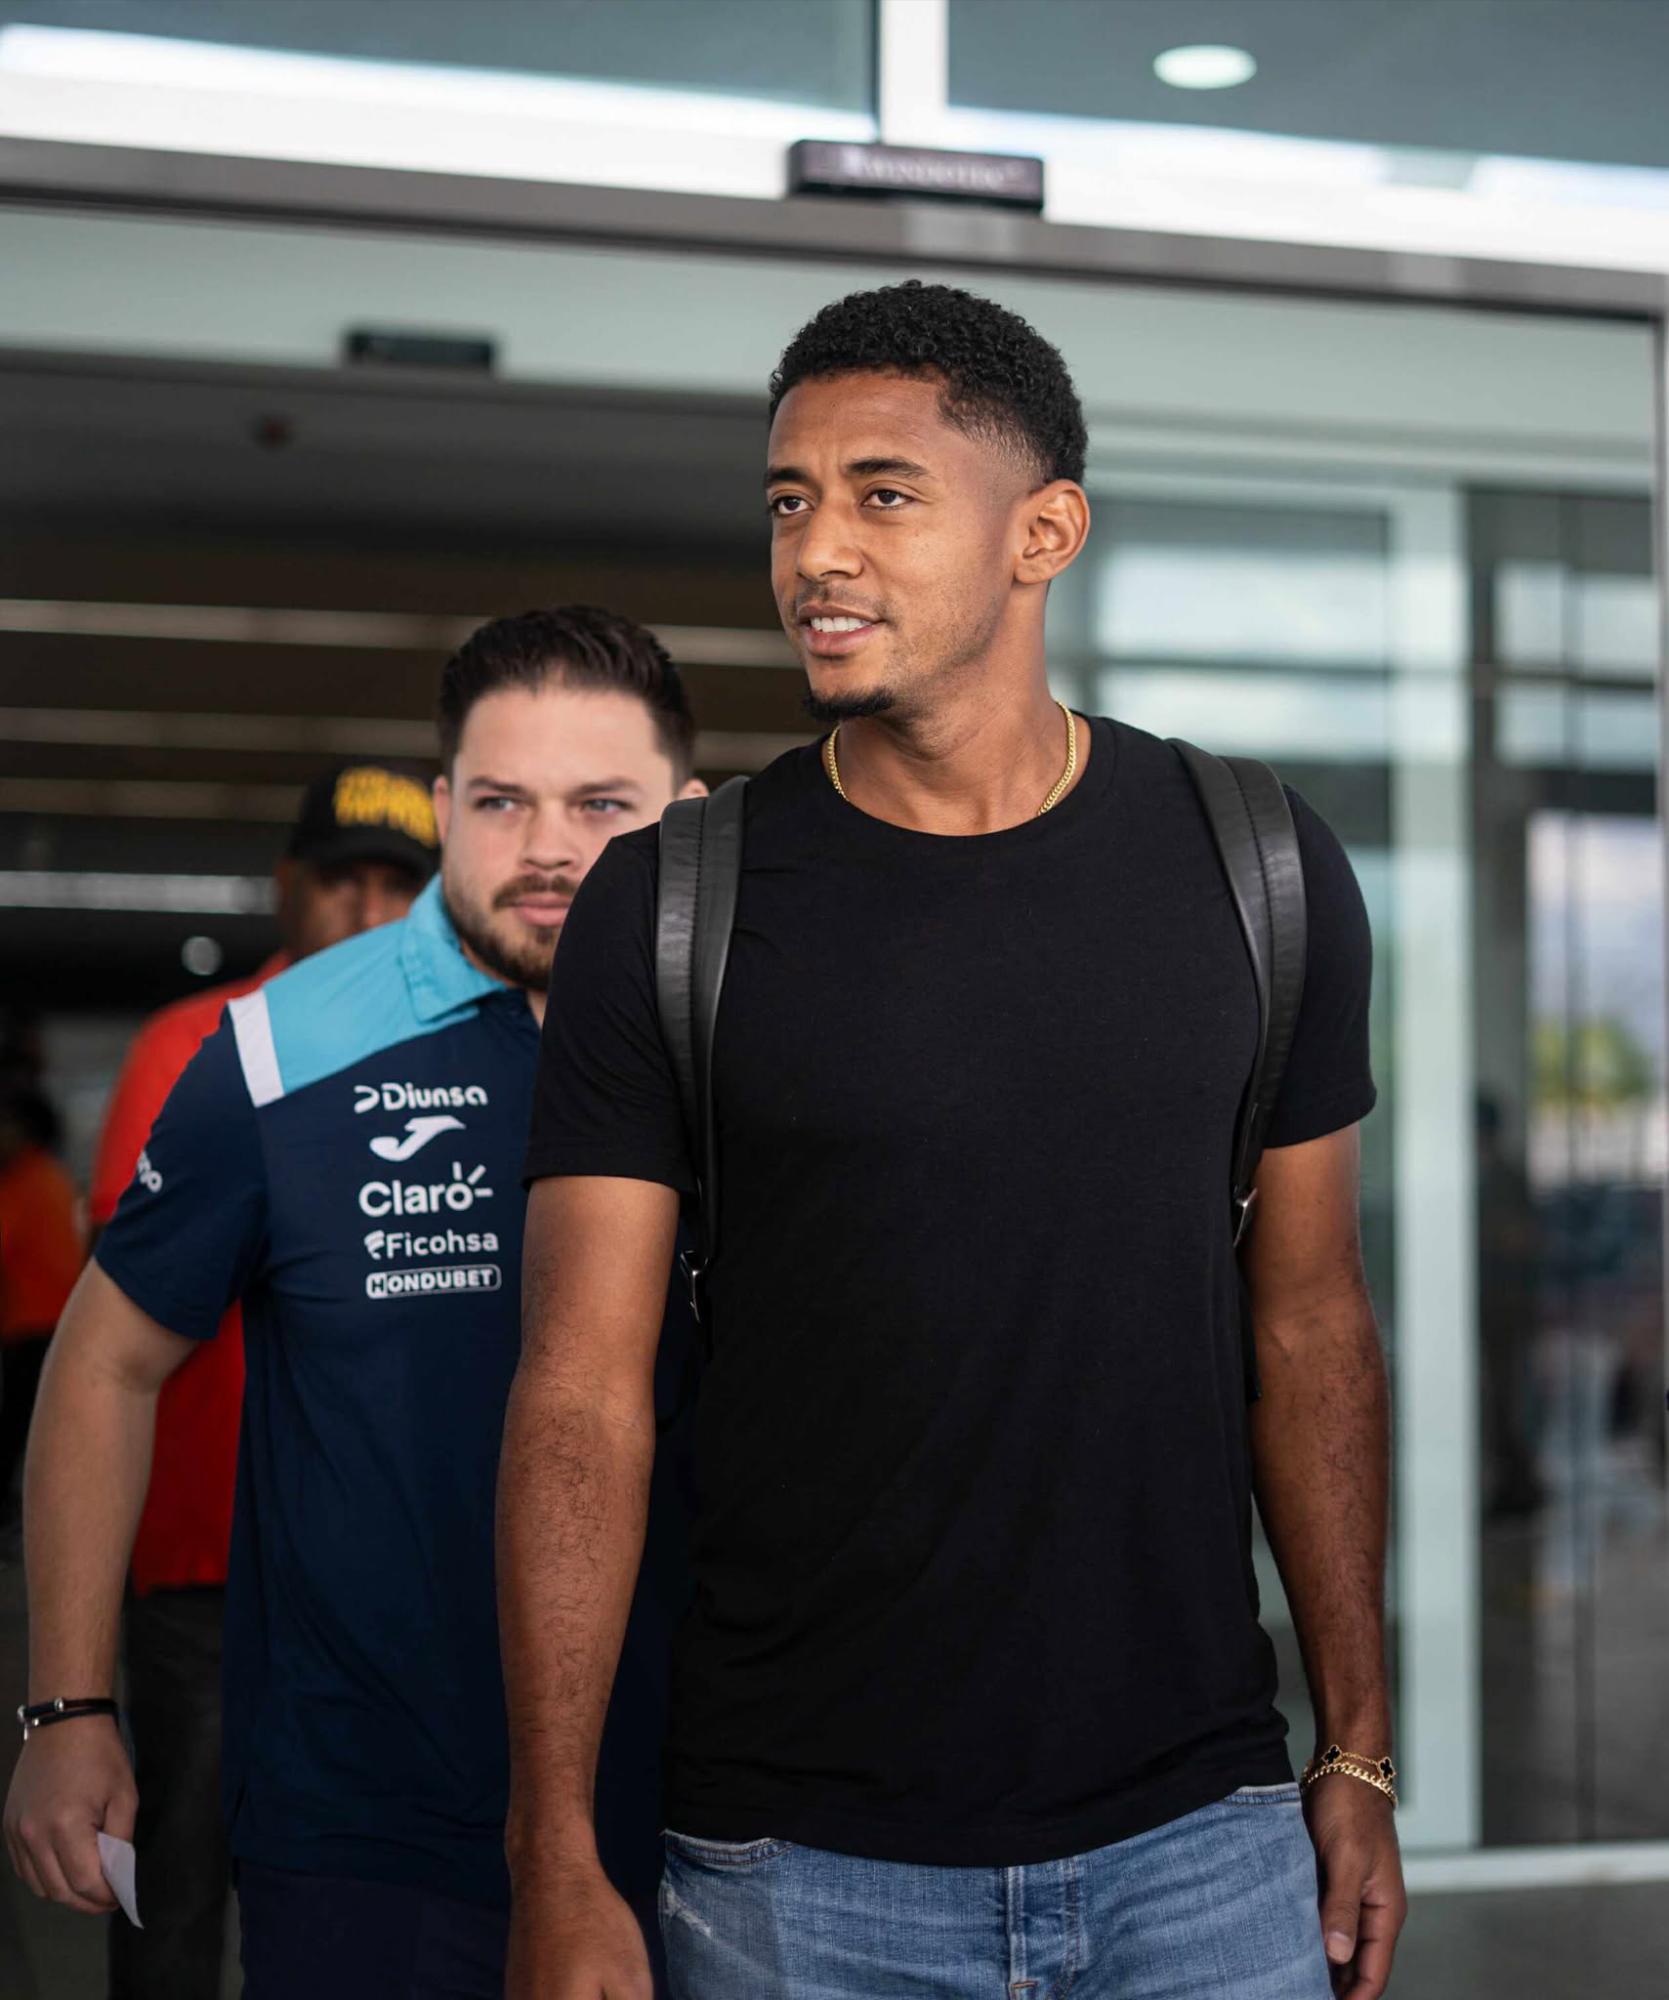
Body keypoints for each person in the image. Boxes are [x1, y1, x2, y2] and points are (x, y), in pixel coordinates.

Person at [503, 281, 1407, 2000]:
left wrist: (1351, 1754)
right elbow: (577, 1395)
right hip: (790, 1868)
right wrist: (555, 1856)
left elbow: (1307, 1330)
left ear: (1040, 531)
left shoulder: (1257, 867)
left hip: (1200, 1847)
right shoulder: (674, 904)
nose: (814, 552)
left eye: (881, 493)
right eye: (787, 500)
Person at [4, 608, 704, 1999]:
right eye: (501, 802)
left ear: (684, 816)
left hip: (715, 1813)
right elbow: (102, 1367)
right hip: (364, 1822)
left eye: (601, 805)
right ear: (445, 808)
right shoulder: (280, 1051)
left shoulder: (751, 1040)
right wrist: (68, 1706)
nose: (550, 847)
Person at [89, 759, 439, 2000]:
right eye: (340, 877)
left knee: (367, 1886)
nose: (365, 906)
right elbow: (145, 1283)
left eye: (397, 882)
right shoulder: (192, 1043)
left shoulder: (464, 1056)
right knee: (179, 1876)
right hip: (206, 1556)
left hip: (389, 1558)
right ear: (290, 886)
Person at [0, 1085, 82, 1530]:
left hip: (32, 1324)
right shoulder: (54, 1175)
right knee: (44, 1428)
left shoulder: (20, 1182)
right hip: (61, 1321)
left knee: (18, 1430)